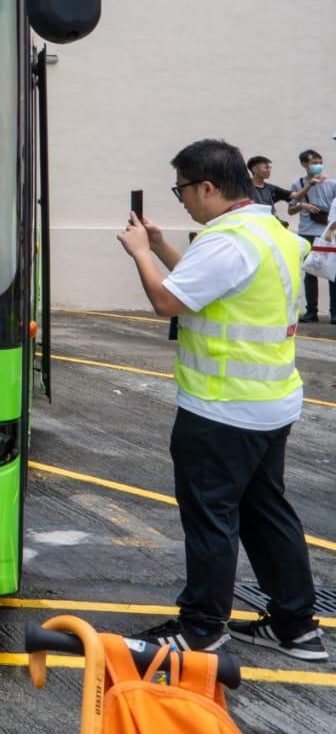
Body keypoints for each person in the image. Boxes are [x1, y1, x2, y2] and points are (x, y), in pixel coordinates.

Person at [114, 138, 326, 662]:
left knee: (211, 516)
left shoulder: (226, 241)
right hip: (269, 403)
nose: (182, 199)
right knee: (265, 511)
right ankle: (297, 626)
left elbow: (169, 300)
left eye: (183, 188)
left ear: (207, 186)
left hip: (221, 408)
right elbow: (218, 285)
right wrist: (163, 248)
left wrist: (140, 254)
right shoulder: (268, 231)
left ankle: (203, 629)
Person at [284, 148, 331, 323]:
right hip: (306, 233)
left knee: (331, 273)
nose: (318, 166)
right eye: (314, 163)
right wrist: (303, 206)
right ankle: (312, 311)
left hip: (327, 234)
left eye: (320, 163)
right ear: (305, 165)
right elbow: (290, 209)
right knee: (309, 274)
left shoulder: (332, 184)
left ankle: (334, 313)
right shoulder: (298, 185)